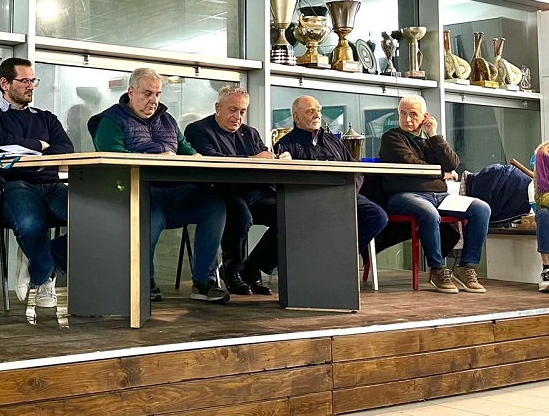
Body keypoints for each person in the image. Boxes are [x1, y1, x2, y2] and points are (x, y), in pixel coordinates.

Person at [87, 68, 229, 304]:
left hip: (175, 191)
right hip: (136, 191)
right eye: (147, 93)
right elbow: (113, 159)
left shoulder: (168, 120)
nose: (153, 100)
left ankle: (204, 282)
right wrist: (155, 157)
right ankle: (143, 280)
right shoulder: (110, 120)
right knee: (150, 214)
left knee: (214, 206)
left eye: (157, 94)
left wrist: (196, 158)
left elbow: (187, 152)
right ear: (131, 92)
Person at [0, 58, 74, 308]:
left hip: (50, 186)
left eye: (33, 80)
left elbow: (66, 148)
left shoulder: (47, 118)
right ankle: (44, 278)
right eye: (25, 80)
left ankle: (42, 259)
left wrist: (21, 149)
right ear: (4, 83)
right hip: (8, 185)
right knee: (31, 224)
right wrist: (40, 145)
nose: (31, 86)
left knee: (95, 218)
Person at [261, 95, 388, 281]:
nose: (317, 115)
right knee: (300, 217)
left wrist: (350, 191)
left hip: (343, 194)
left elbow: (356, 169)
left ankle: (338, 258)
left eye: (319, 110)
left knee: (377, 216)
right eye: (310, 111)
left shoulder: (333, 141)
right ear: (296, 117)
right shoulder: (285, 144)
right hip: (310, 198)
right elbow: (282, 180)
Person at [379, 95, 491, 294]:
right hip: (404, 196)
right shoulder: (391, 138)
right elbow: (411, 164)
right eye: (403, 114)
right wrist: (442, 174)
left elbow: (452, 163)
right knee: (428, 212)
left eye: (413, 114)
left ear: (425, 117)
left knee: (481, 208)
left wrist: (434, 134)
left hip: (440, 196)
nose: (407, 119)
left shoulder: (430, 140)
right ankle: (438, 269)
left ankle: (466, 267)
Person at [184, 85, 282, 296]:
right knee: (240, 214)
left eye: (242, 111)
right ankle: (232, 270)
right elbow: (212, 160)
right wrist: (253, 159)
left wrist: (278, 159)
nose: (238, 116)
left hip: (256, 192)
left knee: (289, 213)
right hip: (221, 190)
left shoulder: (251, 133)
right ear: (218, 108)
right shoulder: (198, 130)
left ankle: (252, 267)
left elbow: (265, 157)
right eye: (233, 110)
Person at [534, 140, 549, 292]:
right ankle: (547, 269)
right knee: (544, 215)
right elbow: (541, 196)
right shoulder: (543, 153)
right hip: (546, 204)